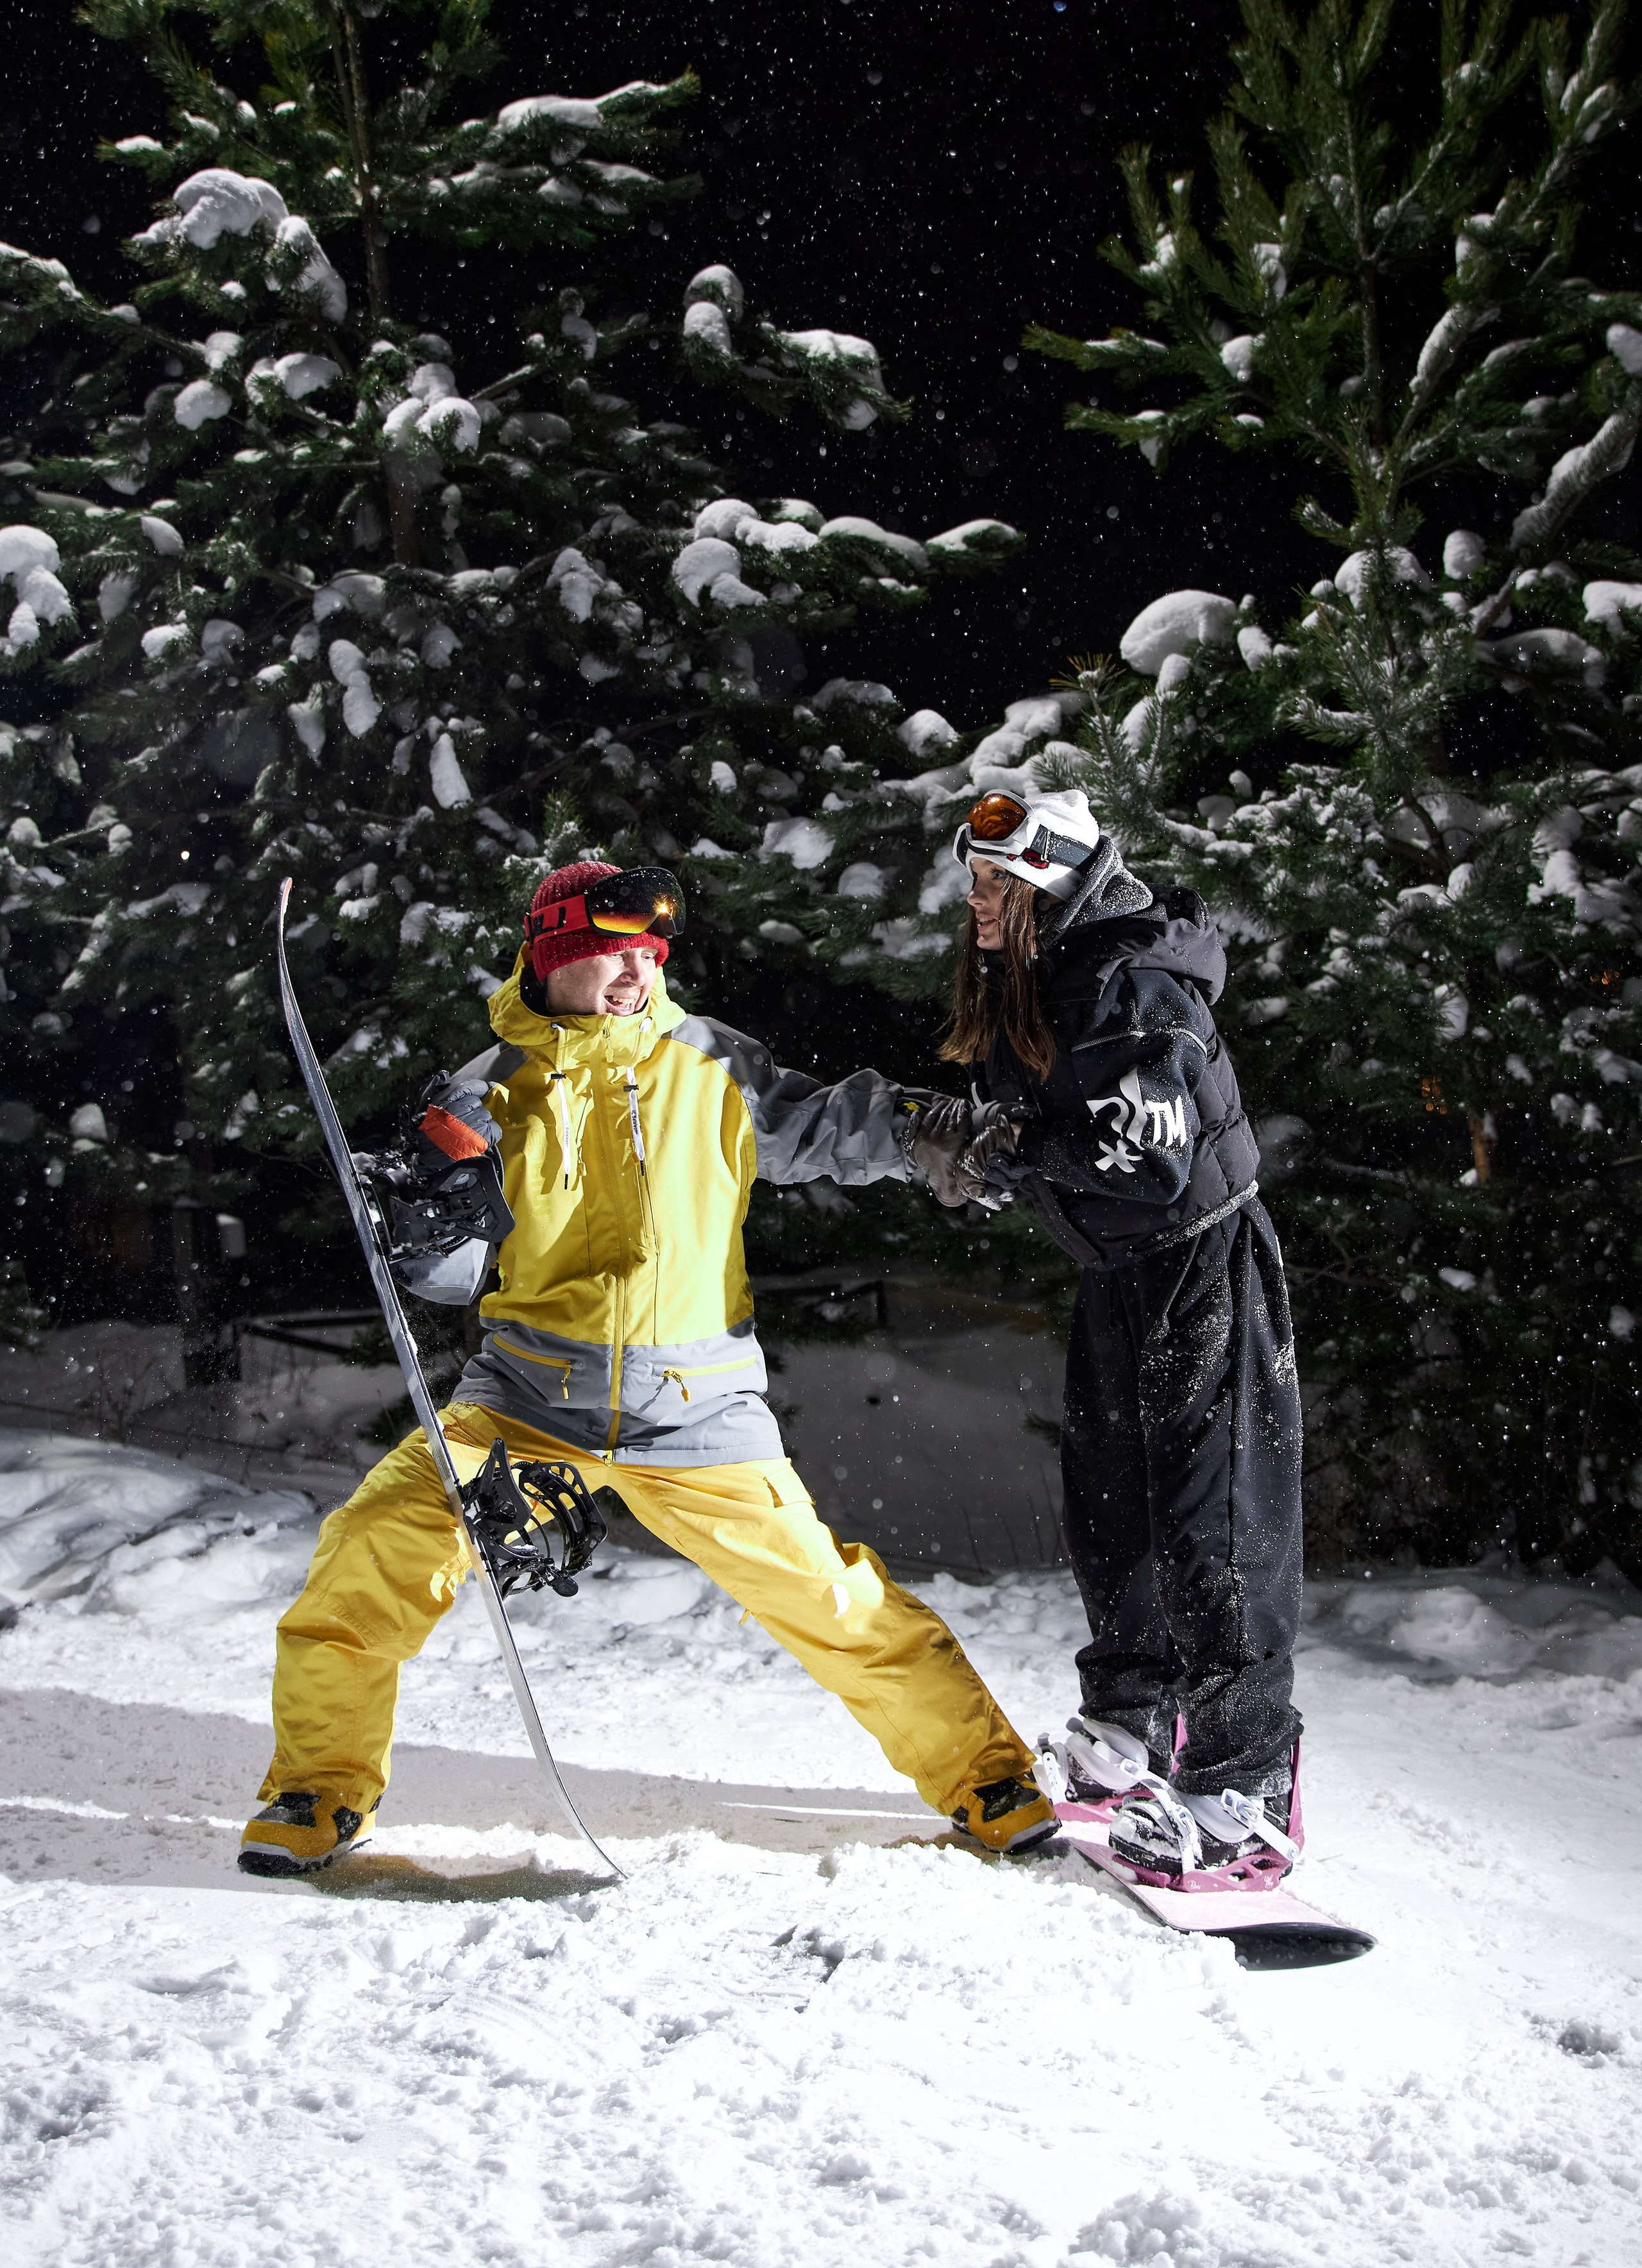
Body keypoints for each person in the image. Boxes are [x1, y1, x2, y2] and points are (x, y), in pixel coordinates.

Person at [241, 857, 1058, 1875]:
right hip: (530, 1403)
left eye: (650, 953)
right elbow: (448, 1279)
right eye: (611, 951)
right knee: (370, 1548)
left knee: (833, 1600)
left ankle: (989, 1776)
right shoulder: (486, 1092)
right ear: (554, 954)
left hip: (700, 1409)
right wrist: (421, 1224)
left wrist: (936, 1135)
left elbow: (829, 1123)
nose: (636, 971)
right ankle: (317, 1785)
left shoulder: (710, 1063)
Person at [917, 788, 1305, 1894]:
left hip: (1202, 1265)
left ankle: (1242, 1792)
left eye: (1007, 887)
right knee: (1113, 1513)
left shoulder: (1134, 985)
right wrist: (986, 1143)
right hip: (1120, 1275)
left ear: (1063, 887)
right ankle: (1130, 1729)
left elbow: (1148, 1158)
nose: (985, 905)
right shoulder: (1044, 978)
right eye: (978, 884)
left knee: (1213, 1525)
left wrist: (1008, 1151)